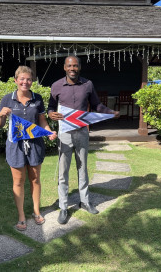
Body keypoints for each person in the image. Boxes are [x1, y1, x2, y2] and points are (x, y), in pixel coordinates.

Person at [48, 55, 119, 224]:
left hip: (82, 132)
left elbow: (96, 105)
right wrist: (51, 114)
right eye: (69, 66)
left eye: (76, 66)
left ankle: (85, 201)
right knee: (63, 171)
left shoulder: (87, 84)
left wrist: (110, 112)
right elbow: (51, 107)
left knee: (83, 168)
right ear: (64, 68)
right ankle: (64, 207)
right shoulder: (56, 85)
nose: (73, 69)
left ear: (79, 67)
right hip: (65, 133)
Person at [0, 66, 57, 231]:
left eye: (29, 79)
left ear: (32, 81)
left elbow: (41, 121)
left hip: (35, 144)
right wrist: (1, 115)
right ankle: (21, 216)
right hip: (15, 146)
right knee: (18, 181)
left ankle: (36, 212)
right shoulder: (7, 99)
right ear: (16, 80)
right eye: (22, 79)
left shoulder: (37, 99)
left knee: (35, 179)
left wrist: (48, 130)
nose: (25, 82)